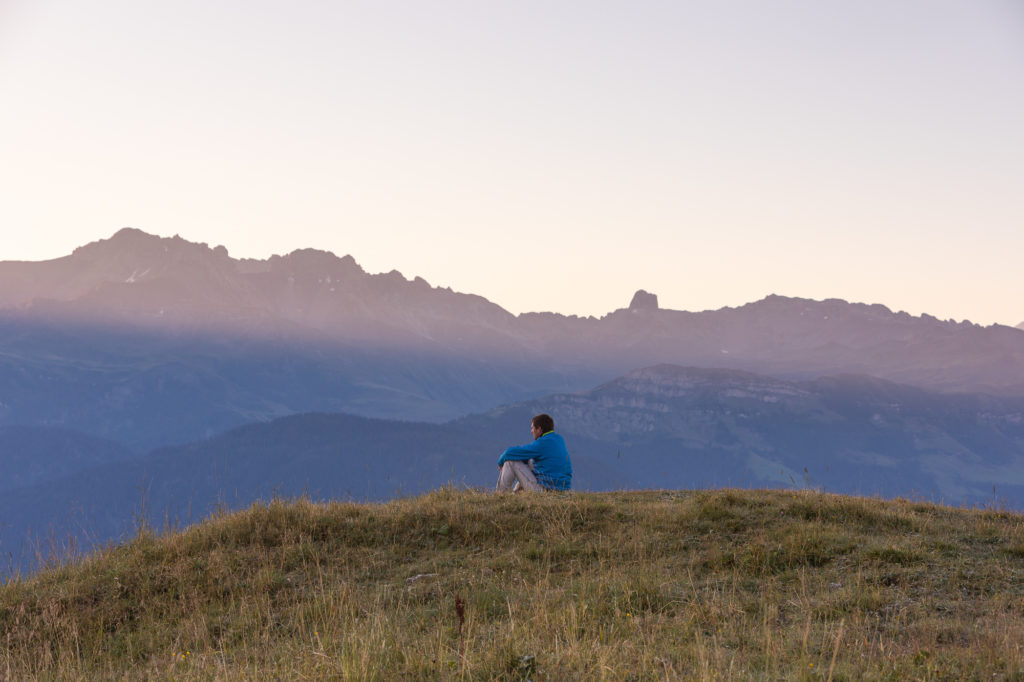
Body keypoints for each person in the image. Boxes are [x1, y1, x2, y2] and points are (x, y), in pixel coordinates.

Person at [495, 413, 572, 492]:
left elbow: (510, 453)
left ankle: (500, 495)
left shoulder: (542, 443)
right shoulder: (559, 440)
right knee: (530, 461)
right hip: (563, 490)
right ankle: (517, 493)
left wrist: (500, 462)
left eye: (532, 428)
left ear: (539, 429)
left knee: (510, 462)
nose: (531, 431)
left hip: (545, 491)